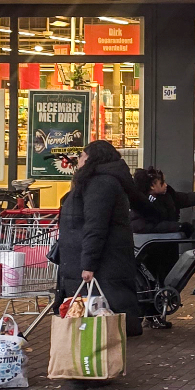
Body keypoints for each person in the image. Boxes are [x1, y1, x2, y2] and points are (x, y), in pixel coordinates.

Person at [52, 140, 143, 330]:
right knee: (96, 320)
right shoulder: (97, 181)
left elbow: (96, 226)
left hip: (101, 263)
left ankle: (104, 342)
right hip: (96, 259)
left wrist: (88, 264)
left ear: (92, 158)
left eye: (82, 156)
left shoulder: (101, 184)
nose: (79, 160)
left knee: (101, 322)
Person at [127, 167, 195, 328]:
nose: (166, 185)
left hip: (166, 245)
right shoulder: (142, 203)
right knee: (152, 282)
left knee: (168, 279)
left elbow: (185, 198)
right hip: (150, 250)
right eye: (162, 182)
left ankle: (158, 313)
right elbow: (146, 226)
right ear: (153, 186)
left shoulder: (167, 195)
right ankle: (152, 316)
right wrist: (178, 227)